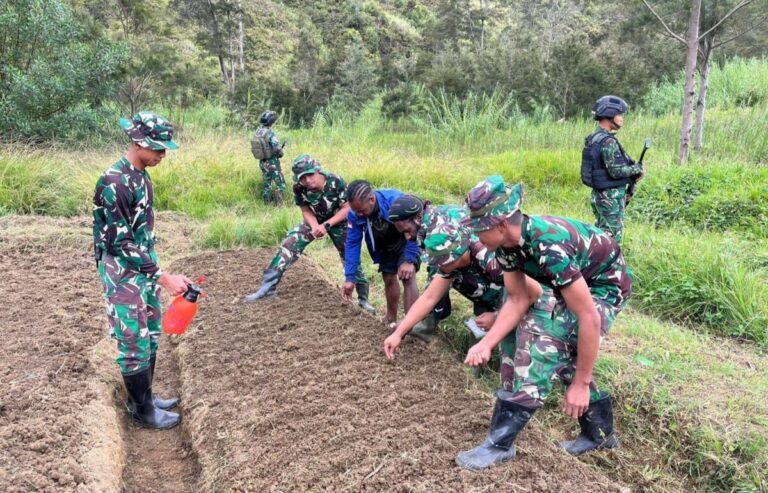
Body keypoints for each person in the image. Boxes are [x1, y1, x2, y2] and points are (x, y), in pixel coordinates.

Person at [455, 176, 632, 470]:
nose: (476, 236)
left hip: (604, 287)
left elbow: (588, 316)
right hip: (571, 284)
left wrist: (582, 384)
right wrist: (486, 343)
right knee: (560, 346)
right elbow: (518, 299)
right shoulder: (506, 246)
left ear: (500, 224)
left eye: (479, 228)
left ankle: (499, 445)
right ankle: (599, 434)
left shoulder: (548, 247)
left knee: (546, 347)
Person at [93, 112, 190, 430]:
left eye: (165, 149)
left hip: (143, 268)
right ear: (137, 143)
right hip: (122, 273)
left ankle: (147, 398)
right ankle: (142, 412)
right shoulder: (115, 183)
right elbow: (120, 243)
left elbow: (140, 234)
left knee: (149, 333)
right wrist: (164, 277)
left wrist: (156, 272)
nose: (162, 155)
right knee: (133, 340)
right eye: (157, 148)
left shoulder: (141, 176)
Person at [383, 220, 543, 353]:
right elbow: (429, 298)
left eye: (442, 262)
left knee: (518, 348)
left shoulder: (490, 260)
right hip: (494, 296)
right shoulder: (450, 265)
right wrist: (398, 333)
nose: (439, 267)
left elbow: (533, 292)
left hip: (537, 300)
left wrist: (496, 317)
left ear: (456, 255)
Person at [244, 155, 374, 313]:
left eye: (310, 175)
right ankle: (267, 288)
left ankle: (363, 299)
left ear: (318, 171)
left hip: (339, 222)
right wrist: (314, 226)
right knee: (289, 244)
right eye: (303, 178)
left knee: (350, 256)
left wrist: (326, 225)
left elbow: (347, 208)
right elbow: (305, 210)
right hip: (315, 220)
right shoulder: (299, 188)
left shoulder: (336, 181)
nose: (308, 181)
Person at [341, 180, 421, 328]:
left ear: (372, 199)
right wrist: (350, 277)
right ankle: (391, 318)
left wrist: (409, 258)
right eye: (356, 211)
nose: (359, 214)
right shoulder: (355, 213)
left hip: (406, 239)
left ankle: (411, 325)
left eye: (362, 211)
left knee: (407, 276)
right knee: (388, 278)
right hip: (385, 244)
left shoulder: (395, 201)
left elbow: (416, 228)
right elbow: (352, 243)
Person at [386, 195, 468, 338]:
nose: (407, 237)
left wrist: (407, 323)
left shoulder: (437, 234)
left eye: (407, 230)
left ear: (418, 217)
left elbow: (437, 282)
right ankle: (436, 316)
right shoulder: (430, 217)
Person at [581, 95, 645, 243]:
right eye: (619, 114)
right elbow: (615, 171)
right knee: (611, 242)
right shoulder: (608, 141)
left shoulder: (594, 138)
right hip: (610, 198)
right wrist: (637, 169)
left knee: (601, 237)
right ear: (609, 114)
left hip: (599, 195)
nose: (622, 118)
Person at [251, 110, 286, 206]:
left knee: (267, 184)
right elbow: (277, 149)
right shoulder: (270, 134)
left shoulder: (258, 132)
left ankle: (266, 203)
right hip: (272, 163)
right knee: (281, 184)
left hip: (262, 162)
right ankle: (280, 205)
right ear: (271, 122)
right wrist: (281, 153)